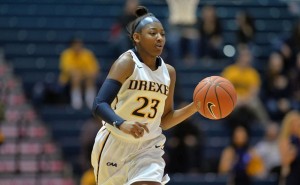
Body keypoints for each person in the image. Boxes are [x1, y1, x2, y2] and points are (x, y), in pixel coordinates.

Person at [91, 6, 197, 185]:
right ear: (137, 37)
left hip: (149, 147)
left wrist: (196, 106)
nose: (160, 38)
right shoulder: (126, 64)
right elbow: (99, 104)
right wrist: (122, 124)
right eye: (153, 33)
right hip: (116, 143)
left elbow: (164, 120)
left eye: (163, 34)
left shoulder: (168, 72)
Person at [221, 45, 269, 124]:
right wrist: (237, 99)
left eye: (248, 56)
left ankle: (267, 126)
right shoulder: (230, 70)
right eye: (244, 56)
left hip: (248, 100)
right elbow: (224, 89)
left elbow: (254, 92)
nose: (246, 59)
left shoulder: (253, 73)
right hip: (233, 99)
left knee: (256, 103)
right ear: (239, 57)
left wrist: (244, 100)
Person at [59, 38, 100, 110]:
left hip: (84, 77)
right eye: (75, 45)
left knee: (89, 78)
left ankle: (90, 101)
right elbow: (67, 69)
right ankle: (77, 102)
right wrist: (78, 73)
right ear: (72, 45)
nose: (78, 46)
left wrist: (84, 74)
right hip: (69, 79)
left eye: (79, 44)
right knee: (76, 77)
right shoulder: (66, 54)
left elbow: (94, 70)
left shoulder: (87, 54)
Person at [278, 111, 300, 185]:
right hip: (291, 173)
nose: (296, 125)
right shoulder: (285, 140)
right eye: (293, 123)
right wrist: (292, 150)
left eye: (297, 123)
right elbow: (285, 161)